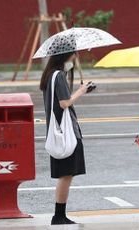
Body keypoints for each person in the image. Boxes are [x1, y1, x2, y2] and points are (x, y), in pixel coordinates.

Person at [40, 51, 88, 225]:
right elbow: (65, 103)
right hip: (66, 134)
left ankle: (59, 215)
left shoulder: (50, 75)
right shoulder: (58, 75)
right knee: (66, 175)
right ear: (65, 56)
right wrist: (81, 91)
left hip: (57, 132)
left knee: (65, 175)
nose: (75, 58)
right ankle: (59, 215)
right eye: (74, 55)